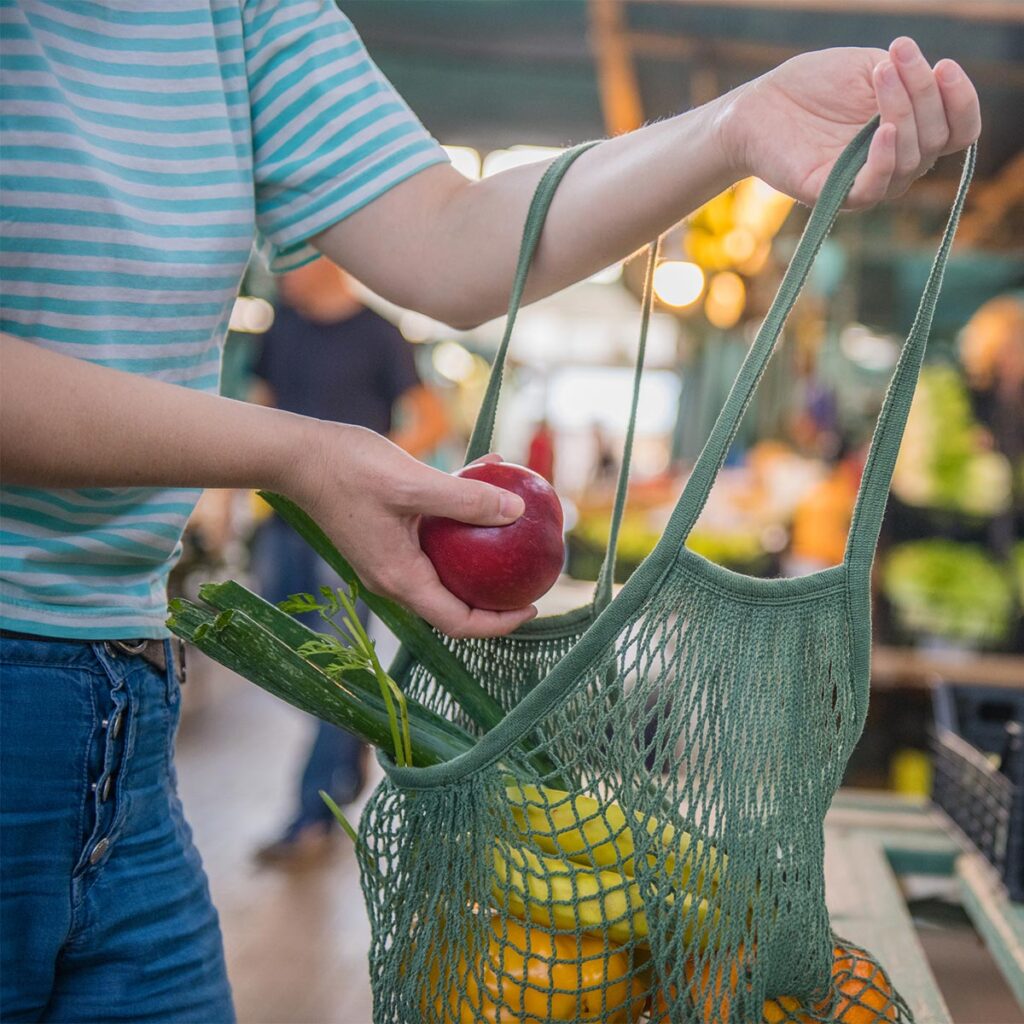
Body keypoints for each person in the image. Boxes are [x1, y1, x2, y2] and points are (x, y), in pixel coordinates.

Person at [0, 0, 981, 1016]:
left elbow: (448, 237)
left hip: (129, 693)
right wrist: (293, 455)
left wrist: (735, 126)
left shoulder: (231, 12)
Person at [249, 258, 448, 865]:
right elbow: (259, 407)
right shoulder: (279, 327)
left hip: (343, 532)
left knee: (323, 671)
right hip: (279, 521)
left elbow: (435, 417)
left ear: (327, 256)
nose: (280, 266)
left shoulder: (379, 333)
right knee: (275, 651)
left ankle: (310, 814)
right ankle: (356, 724)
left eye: (291, 253)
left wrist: (369, 468)